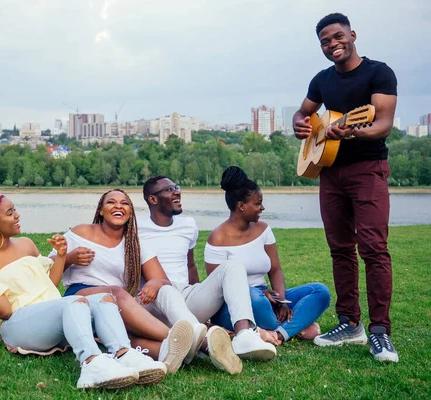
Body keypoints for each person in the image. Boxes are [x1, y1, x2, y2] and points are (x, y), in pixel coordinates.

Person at [0, 192, 166, 390]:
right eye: (10, 213)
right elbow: (4, 312)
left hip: (48, 314)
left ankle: (125, 354)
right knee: (73, 302)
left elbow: (50, 285)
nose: (17, 215)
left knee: (103, 299)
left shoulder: (26, 243)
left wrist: (62, 255)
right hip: (17, 326)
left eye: (15, 209)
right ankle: (91, 364)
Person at [292, 13, 398, 362]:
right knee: (340, 248)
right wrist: (301, 126)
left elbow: (382, 125)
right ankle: (349, 323)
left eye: (338, 36)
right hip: (329, 172)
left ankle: (379, 331)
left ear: (352, 34)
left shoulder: (378, 73)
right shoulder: (321, 81)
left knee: (373, 248)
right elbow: (302, 113)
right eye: (325, 41)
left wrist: (351, 132)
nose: (332, 44)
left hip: (368, 169)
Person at [49, 189, 241, 375]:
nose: (118, 206)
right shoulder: (81, 232)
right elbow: (48, 276)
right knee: (116, 293)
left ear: (130, 212)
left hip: (117, 308)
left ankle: (175, 348)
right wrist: (69, 257)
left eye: (125, 203)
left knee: (143, 321)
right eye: (111, 202)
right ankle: (197, 342)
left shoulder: (134, 242)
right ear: (100, 210)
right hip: (81, 299)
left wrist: (156, 284)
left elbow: (161, 279)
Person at [137, 176, 277, 361]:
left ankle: (244, 335)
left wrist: (201, 299)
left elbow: (190, 265)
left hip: (185, 294)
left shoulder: (188, 225)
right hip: (152, 299)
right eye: (169, 189)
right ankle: (204, 343)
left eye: (176, 187)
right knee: (165, 291)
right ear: (152, 199)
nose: (177, 192)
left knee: (232, 265)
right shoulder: (135, 226)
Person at [202, 167, 331, 345]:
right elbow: (219, 288)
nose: (262, 208)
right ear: (241, 206)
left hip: (269, 299)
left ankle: (276, 334)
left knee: (320, 291)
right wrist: (262, 294)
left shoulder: (263, 230)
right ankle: (293, 328)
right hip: (235, 306)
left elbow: (276, 269)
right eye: (258, 203)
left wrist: (282, 301)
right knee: (255, 298)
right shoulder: (217, 238)